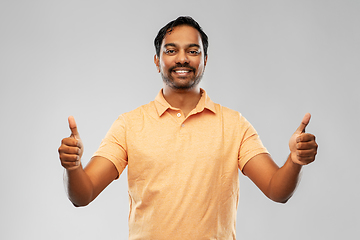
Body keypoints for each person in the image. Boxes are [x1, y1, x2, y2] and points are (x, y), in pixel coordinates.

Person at [58, 16, 318, 239]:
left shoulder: (234, 124)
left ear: (205, 59)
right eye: (171, 51)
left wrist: (295, 161)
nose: (182, 58)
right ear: (157, 61)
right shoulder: (129, 124)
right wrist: (73, 167)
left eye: (193, 51)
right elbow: (84, 194)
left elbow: (276, 190)